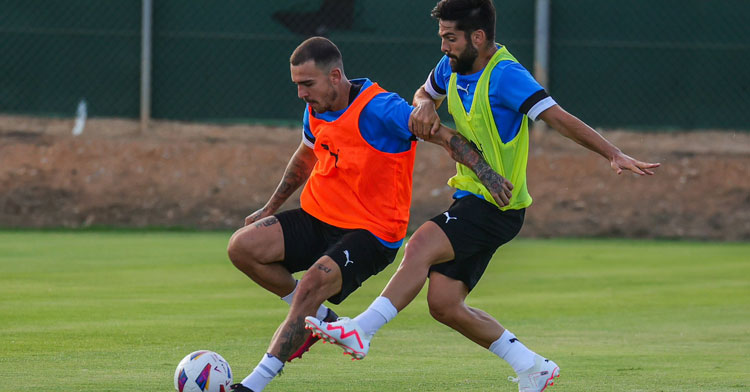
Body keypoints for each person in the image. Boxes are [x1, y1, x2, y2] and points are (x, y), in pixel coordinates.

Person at [304, 1, 661, 391]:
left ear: (477, 37)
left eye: (450, 38)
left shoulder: (507, 75)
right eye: (441, 37)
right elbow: (425, 92)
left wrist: (613, 153)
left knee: (421, 242)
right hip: (471, 198)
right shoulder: (451, 66)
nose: (443, 46)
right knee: (444, 304)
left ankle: (362, 330)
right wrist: (424, 104)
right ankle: (535, 367)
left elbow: (558, 118)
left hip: (497, 204)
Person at [226, 36, 513, 392]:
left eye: (307, 84)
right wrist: (270, 208)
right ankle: (317, 317)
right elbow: (306, 155)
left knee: (311, 287)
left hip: (371, 233)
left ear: (335, 76)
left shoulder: (382, 109)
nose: (301, 93)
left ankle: (253, 384)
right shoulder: (316, 106)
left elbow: (442, 135)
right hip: (318, 217)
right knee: (242, 247)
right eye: (297, 85)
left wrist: (486, 174)